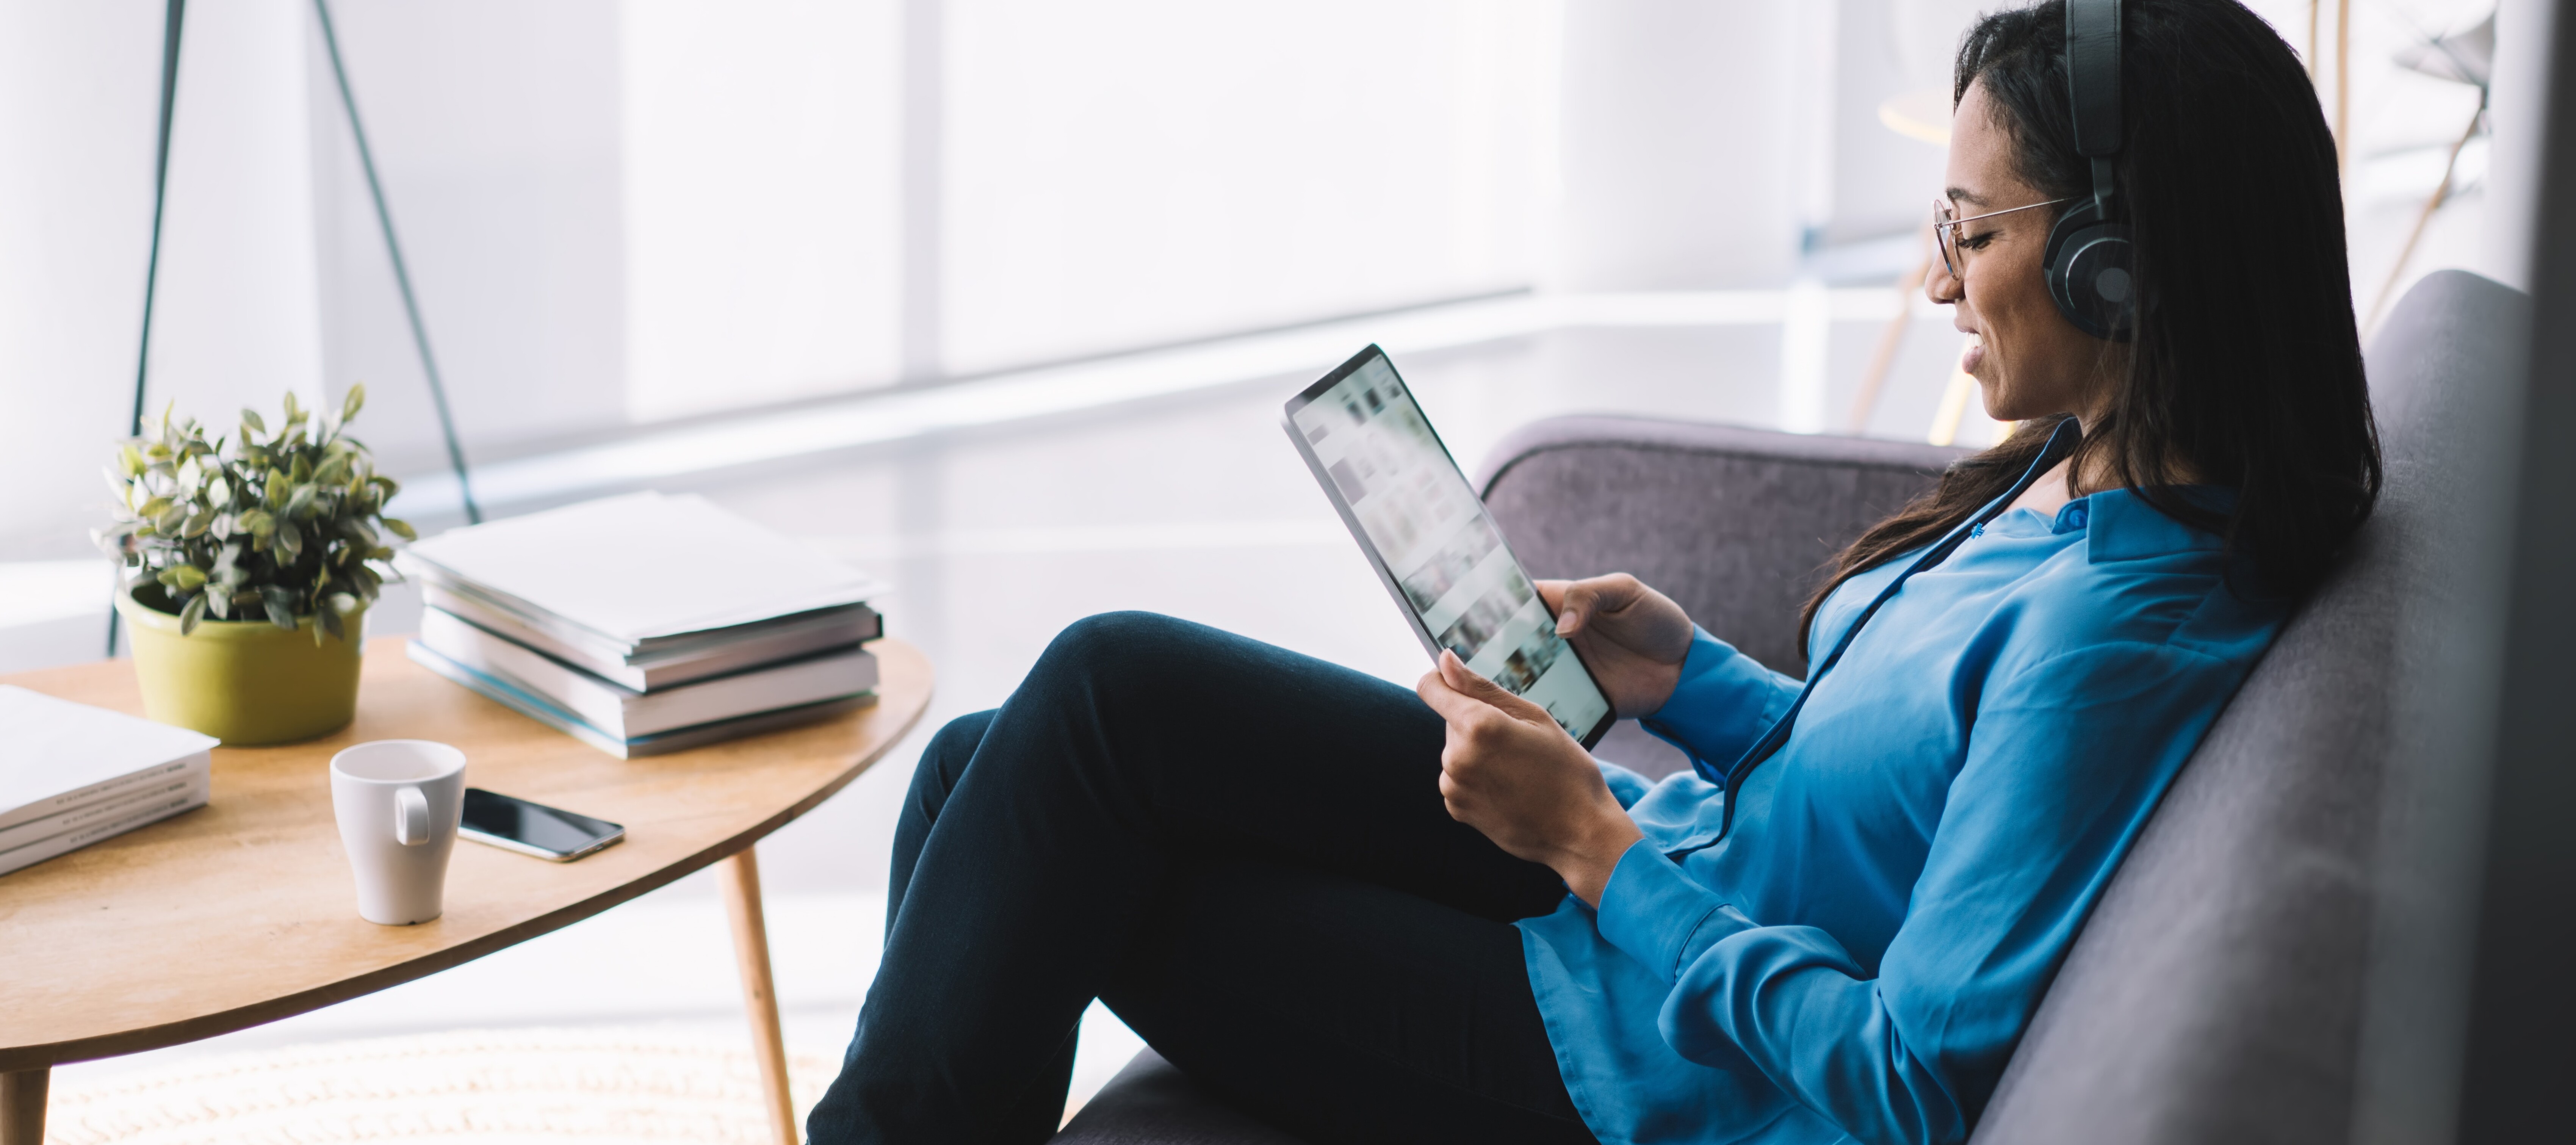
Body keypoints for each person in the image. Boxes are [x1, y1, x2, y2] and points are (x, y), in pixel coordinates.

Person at [804, 0, 2381, 1141]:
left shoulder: (2118, 631)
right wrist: (1686, 679)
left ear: (2120, 264)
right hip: (1665, 881)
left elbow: (1908, 1088)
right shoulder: (2082, 461)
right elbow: (1905, 791)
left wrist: (1594, 851)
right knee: (1010, 750)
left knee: (1062, 760)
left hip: (1645, 1064)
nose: (1931, 274)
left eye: (1969, 231)